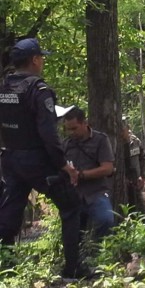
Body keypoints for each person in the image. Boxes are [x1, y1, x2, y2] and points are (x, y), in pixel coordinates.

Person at [0, 38, 88, 278]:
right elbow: (48, 134)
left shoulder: (4, 87)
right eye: (42, 57)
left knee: (8, 215)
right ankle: (72, 269)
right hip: (37, 161)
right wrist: (63, 165)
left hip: (10, 159)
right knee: (71, 205)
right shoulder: (39, 90)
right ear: (35, 60)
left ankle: (6, 270)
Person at [63, 107, 114, 241]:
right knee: (73, 233)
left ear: (84, 123)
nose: (71, 132)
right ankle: (78, 258)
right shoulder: (65, 145)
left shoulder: (100, 140)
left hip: (96, 192)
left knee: (106, 220)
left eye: (74, 128)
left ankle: (100, 253)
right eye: (68, 129)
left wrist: (81, 174)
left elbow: (107, 168)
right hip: (74, 194)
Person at [121, 120, 145, 214]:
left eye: (123, 130)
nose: (121, 133)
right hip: (123, 181)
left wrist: (142, 176)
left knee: (140, 204)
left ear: (127, 128)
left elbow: (142, 158)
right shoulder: (116, 144)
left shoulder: (135, 141)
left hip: (136, 179)